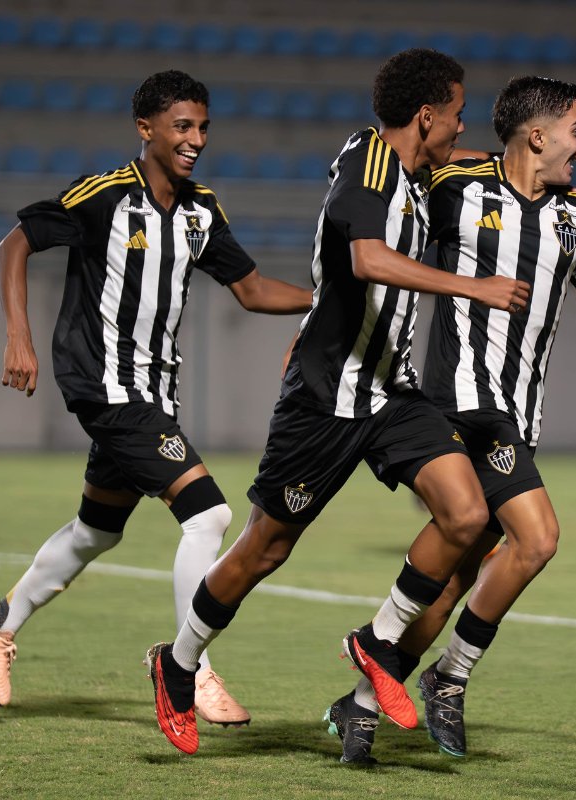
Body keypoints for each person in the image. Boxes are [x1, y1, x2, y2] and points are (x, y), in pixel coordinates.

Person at [146, 48, 531, 755]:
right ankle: (176, 665)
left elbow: (478, 162)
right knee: (264, 549)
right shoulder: (370, 164)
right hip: (324, 400)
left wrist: (531, 160)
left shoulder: (419, 170)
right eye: (456, 113)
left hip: (391, 393)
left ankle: (377, 643)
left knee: (469, 514)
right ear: (425, 115)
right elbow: (366, 259)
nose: (460, 126)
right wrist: (473, 286)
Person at [325, 75, 576, 764]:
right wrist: (324, 329)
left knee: (453, 585)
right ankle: (447, 678)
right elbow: (378, 214)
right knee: (537, 539)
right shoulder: (455, 185)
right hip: (457, 408)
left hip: (517, 415)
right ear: (538, 136)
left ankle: (361, 703)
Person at [0, 70, 314, 728]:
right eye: (183, 126)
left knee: (94, 531)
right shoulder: (104, 197)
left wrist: (325, 301)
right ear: (146, 129)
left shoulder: (201, 211)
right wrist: (20, 336)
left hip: (154, 394)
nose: (196, 139)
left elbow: (252, 289)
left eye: (204, 127)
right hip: (105, 387)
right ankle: (190, 671)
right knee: (207, 516)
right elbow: (15, 243)